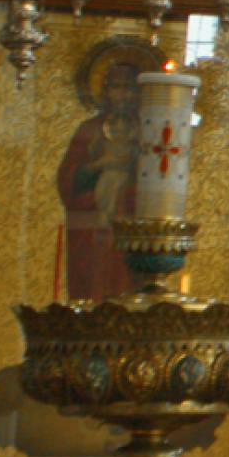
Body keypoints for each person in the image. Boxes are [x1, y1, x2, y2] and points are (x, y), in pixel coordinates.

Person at [56, 49, 146, 301]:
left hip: (129, 229)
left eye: (129, 88)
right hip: (91, 232)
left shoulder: (149, 131)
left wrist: (127, 184)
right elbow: (67, 185)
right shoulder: (89, 130)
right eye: (116, 87)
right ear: (105, 91)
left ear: (139, 92)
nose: (122, 95)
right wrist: (98, 165)